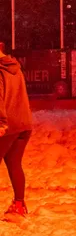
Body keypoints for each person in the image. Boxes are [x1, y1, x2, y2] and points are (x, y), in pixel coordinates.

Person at [0, 42, 33, 218]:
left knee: (13, 165)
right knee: (14, 165)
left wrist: (1, 124)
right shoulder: (15, 68)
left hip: (7, 126)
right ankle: (19, 205)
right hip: (23, 123)